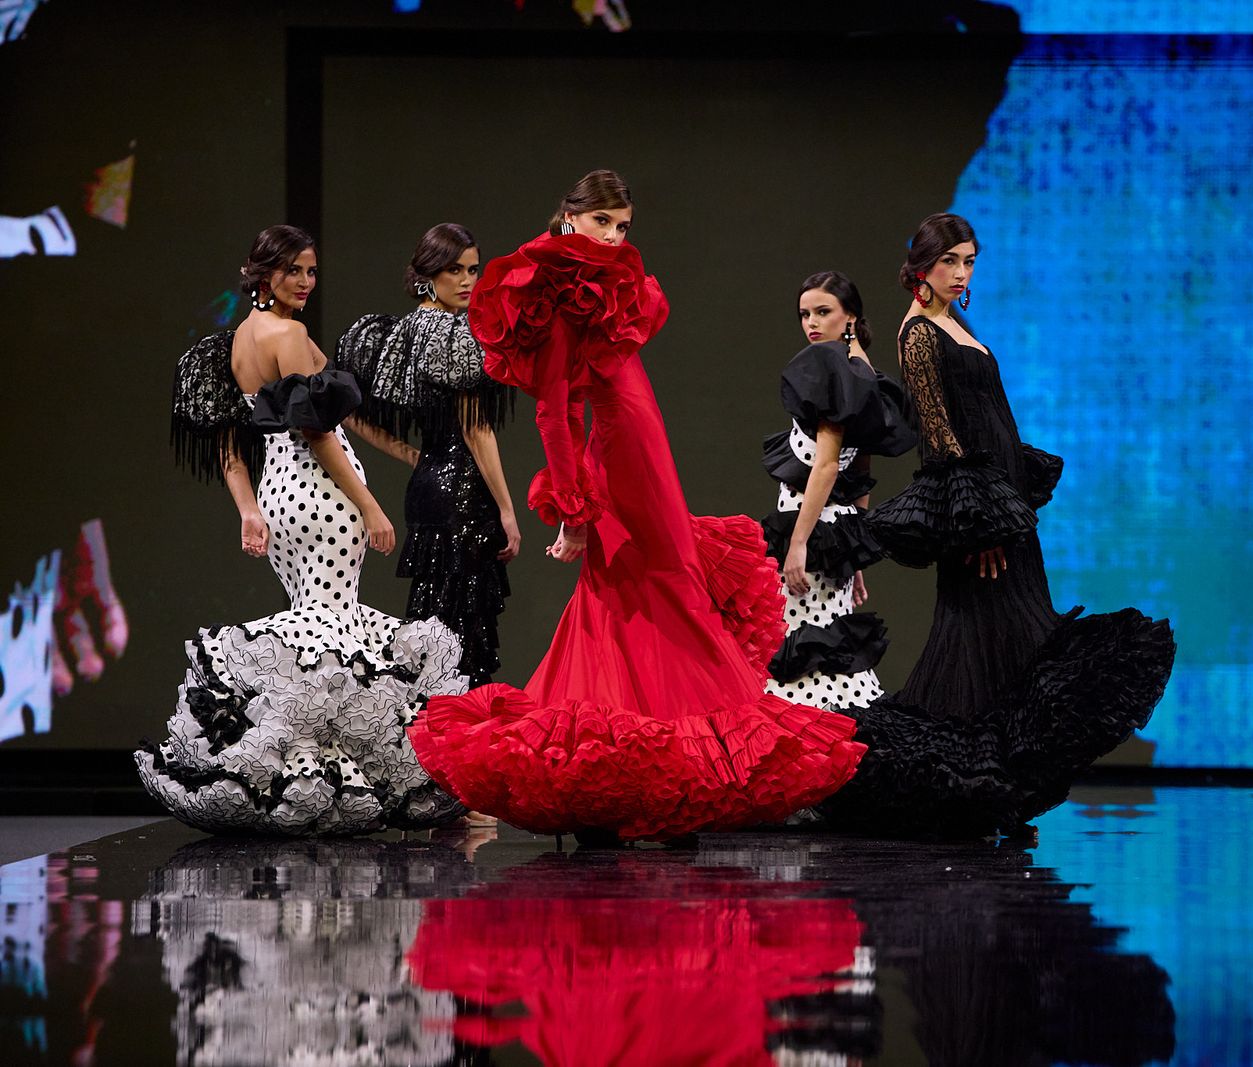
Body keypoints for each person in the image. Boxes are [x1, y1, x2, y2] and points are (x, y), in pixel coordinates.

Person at [407, 171, 865, 841]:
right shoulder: (558, 291)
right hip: (619, 461)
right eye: (602, 224)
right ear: (569, 218)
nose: (616, 238)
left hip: (643, 452)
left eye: (623, 226)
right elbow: (554, 411)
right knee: (644, 596)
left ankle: (650, 773)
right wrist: (570, 507)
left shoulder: (603, 285)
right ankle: (631, 774)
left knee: (650, 599)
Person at [817, 213, 1177, 837]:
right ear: (921, 267)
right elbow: (940, 438)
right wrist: (976, 525)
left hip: (1000, 507)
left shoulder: (955, 323)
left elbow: (988, 415)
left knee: (1004, 644)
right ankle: (956, 789)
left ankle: (992, 793)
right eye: (950, 261)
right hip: (976, 514)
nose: (961, 273)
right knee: (979, 643)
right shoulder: (920, 334)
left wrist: (1002, 508)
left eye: (970, 262)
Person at [136, 224, 469, 835]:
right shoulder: (287, 335)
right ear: (263, 273)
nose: (306, 282)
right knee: (334, 628)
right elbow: (320, 434)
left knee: (321, 626)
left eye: (312, 271)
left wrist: (249, 510)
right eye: (294, 271)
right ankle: (325, 771)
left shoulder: (237, 342)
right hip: (321, 494)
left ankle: (305, 764)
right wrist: (369, 504)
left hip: (279, 495)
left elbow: (232, 448)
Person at [337, 223, 520, 689]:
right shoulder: (454, 332)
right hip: (462, 488)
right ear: (428, 274)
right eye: (453, 270)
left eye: (473, 270)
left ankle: (424, 737)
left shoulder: (402, 330)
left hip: (426, 487)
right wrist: (506, 508)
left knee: (434, 626)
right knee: (463, 636)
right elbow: (477, 430)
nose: (466, 281)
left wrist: (415, 456)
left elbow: (350, 413)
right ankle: (453, 743)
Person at [761, 271, 917, 711]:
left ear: (850, 317)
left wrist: (797, 543)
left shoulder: (833, 371)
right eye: (805, 314)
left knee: (803, 649)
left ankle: (817, 752)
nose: (811, 322)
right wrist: (855, 554)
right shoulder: (862, 370)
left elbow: (828, 468)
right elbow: (860, 474)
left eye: (823, 312)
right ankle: (839, 747)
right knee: (825, 641)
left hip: (809, 530)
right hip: (834, 536)